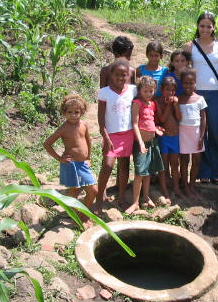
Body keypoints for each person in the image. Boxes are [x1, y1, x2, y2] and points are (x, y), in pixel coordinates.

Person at [184, 12, 218, 184]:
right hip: (196, 94)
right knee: (200, 132)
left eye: (209, 26)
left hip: (216, 93)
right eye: (202, 26)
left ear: (214, 27)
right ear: (197, 26)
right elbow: (180, 67)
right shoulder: (190, 46)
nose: (205, 29)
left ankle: (217, 170)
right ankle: (204, 171)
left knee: (215, 132)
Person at [43, 94, 97, 221]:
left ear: (82, 112)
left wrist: (88, 157)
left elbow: (88, 141)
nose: (73, 115)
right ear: (64, 113)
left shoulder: (84, 125)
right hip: (71, 164)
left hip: (83, 164)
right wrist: (59, 158)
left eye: (76, 112)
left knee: (93, 190)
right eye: (70, 112)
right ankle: (76, 217)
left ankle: (83, 215)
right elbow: (47, 144)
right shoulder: (64, 128)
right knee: (74, 191)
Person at [96, 59, 137, 208]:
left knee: (124, 166)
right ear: (111, 75)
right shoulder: (104, 92)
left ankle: (121, 198)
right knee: (107, 166)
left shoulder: (133, 90)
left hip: (128, 134)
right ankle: (99, 199)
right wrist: (106, 137)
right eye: (117, 75)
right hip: (111, 135)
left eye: (124, 75)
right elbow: (101, 120)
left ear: (128, 75)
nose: (120, 78)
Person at [127, 76, 166, 214]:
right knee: (139, 173)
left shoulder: (152, 104)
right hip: (141, 144)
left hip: (152, 143)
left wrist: (155, 129)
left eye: (151, 91)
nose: (149, 94)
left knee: (148, 172)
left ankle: (145, 197)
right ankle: (135, 202)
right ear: (139, 91)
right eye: (145, 91)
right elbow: (135, 124)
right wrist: (141, 142)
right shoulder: (137, 103)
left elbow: (150, 121)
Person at [178, 69, 207, 199]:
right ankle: (185, 186)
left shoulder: (200, 99)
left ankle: (191, 185)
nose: (188, 86)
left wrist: (201, 136)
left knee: (196, 160)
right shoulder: (179, 99)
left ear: (195, 83)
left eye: (191, 83)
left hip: (196, 134)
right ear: (181, 83)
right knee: (184, 161)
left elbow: (204, 119)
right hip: (183, 133)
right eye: (185, 83)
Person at [156, 76, 184, 199]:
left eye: (173, 90)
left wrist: (176, 105)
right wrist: (168, 105)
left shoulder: (175, 102)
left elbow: (179, 118)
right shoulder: (158, 101)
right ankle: (164, 189)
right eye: (167, 89)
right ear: (162, 89)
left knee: (175, 164)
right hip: (164, 137)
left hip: (175, 137)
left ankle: (176, 187)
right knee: (163, 165)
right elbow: (162, 119)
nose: (170, 93)